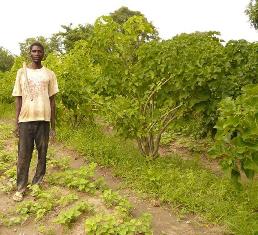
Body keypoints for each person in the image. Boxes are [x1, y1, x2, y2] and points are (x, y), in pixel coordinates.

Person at [12, 42, 59, 202]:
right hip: (26, 120)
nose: (37, 53)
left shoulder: (49, 74)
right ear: (30, 53)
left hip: (44, 120)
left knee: (42, 154)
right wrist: (16, 123)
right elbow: (18, 99)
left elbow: (53, 101)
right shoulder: (21, 72)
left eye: (40, 51)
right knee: (23, 155)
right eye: (34, 51)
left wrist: (53, 126)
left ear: (44, 54)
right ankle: (20, 188)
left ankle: (37, 182)